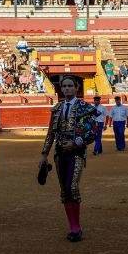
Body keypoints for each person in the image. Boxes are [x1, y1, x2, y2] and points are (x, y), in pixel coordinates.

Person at [39, 75, 97, 242]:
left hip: (76, 153)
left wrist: (76, 143)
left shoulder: (84, 107)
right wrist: (44, 154)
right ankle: (72, 225)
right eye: (64, 86)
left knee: (72, 187)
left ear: (77, 87)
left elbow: (92, 131)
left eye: (70, 86)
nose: (67, 89)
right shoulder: (57, 108)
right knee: (64, 190)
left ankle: (76, 227)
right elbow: (51, 133)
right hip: (59, 153)